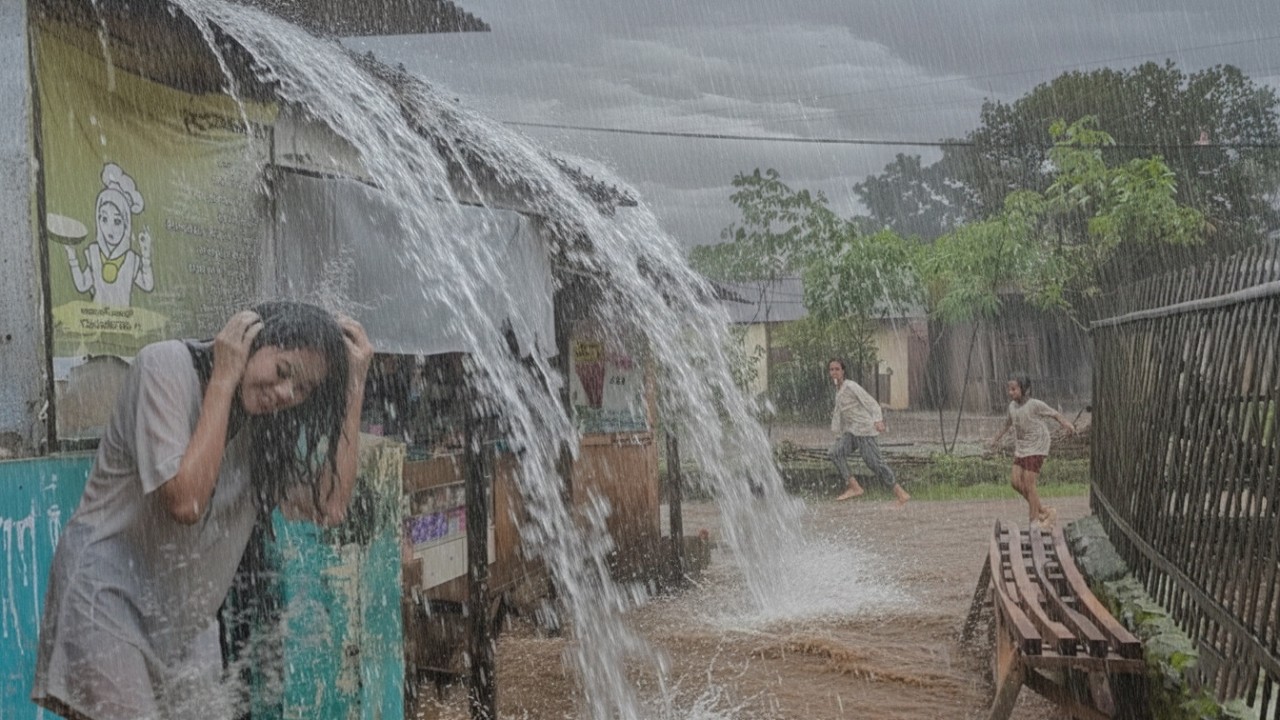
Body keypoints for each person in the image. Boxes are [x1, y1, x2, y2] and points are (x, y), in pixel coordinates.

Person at [32, 301, 373, 720]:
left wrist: (354, 385)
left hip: (184, 621)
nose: (285, 394)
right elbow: (186, 501)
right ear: (249, 341)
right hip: (106, 600)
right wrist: (225, 377)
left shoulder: (266, 431)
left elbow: (330, 506)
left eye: (302, 390)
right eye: (283, 371)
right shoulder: (164, 368)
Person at [989, 375, 1074, 528]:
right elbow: (1007, 423)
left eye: (1014, 389)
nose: (1010, 392)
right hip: (1022, 446)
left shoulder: (1034, 404)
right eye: (1009, 389)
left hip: (1037, 444)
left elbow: (1053, 413)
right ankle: (1043, 510)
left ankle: (1034, 521)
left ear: (1025, 390)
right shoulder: (1012, 407)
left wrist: (1067, 424)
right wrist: (995, 439)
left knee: (1029, 484)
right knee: (1015, 482)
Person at [827, 358, 910, 506]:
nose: (834, 372)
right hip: (852, 432)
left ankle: (900, 493)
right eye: (831, 369)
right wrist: (838, 434)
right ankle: (854, 487)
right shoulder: (838, 392)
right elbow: (840, 414)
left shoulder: (851, 386)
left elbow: (870, 402)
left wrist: (878, 419)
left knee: (875, 464)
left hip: (865, 431)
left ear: (843, 371)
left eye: (837, 369)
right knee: (835, 453)